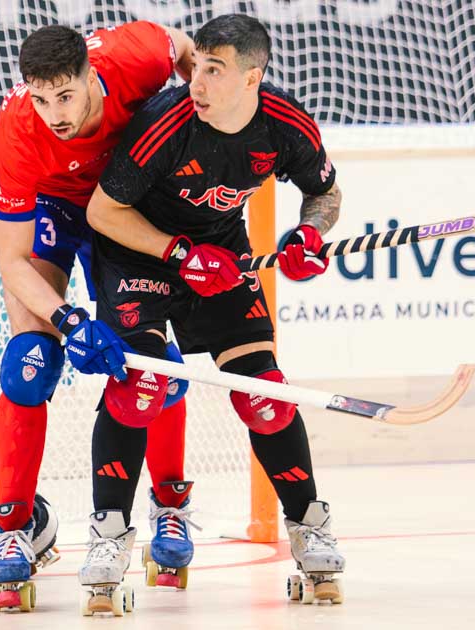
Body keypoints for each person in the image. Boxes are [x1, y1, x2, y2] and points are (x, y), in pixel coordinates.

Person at [82, 14, 346, 605]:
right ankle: (108, 535)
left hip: (223, 255)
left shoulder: (285, 124)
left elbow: (324, 192)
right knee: (139, 387)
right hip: (140, 256)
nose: (195, 82)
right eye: (196, 65)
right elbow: (103, 213)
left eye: (214, 70)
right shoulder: (165, 124)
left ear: (254, 77)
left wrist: (309, 233)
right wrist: (178, 252)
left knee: (266, 396)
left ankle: (309, 526)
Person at [0, 20, 198, 603]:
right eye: (41, 97)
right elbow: (15, 261)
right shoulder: (20, 130)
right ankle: (11, 529)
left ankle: (170, 506)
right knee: (28, 363)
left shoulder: (135, 56)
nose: (54, 112)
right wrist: (70, 321)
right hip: (55, 205)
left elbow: (184, 50)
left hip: (125, 200)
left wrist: (198, 135)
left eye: (66, 96)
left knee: (154, 367)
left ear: (92, 77)